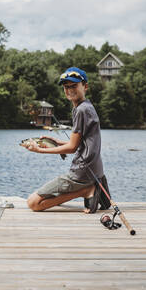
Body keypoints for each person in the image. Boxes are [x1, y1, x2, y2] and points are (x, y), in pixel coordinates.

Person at [24, 67, 110, 213]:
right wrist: (57, 142)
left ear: (85, 86)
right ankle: (91, 189)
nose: (69, 90)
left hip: (82, 173)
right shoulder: (87, 107)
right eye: (66, 87)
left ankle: (86, 191)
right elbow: (80, 144)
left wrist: (39, 150)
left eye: (74, 86)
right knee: (49, 198)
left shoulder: (81, 110)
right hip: (95, 171)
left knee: (33, 203)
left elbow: (71, 148)